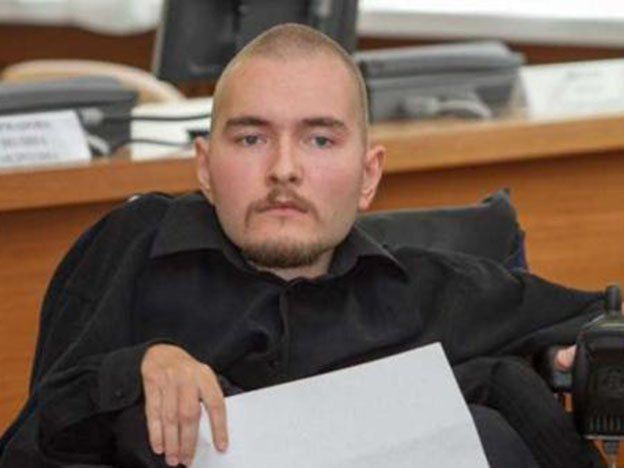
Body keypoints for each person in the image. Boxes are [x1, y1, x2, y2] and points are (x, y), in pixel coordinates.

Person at [0, 24, 609, 467]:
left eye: (319, 140)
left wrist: (570, 357)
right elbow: (27, 447)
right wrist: (135, 369)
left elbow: (596, 317)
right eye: (251, 139)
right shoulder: (135, 248)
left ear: (368, 175)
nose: (284, 170)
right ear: (205, 167)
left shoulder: (430, 292)